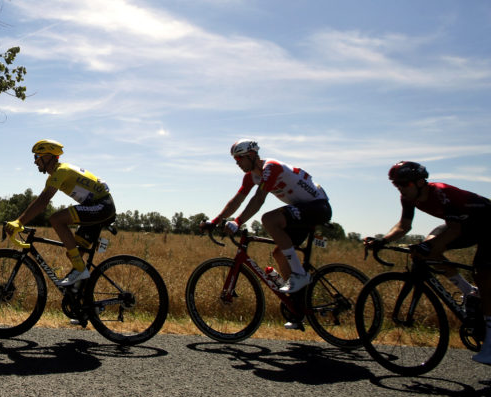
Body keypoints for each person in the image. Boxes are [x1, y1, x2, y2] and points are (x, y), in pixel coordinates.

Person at [363, 161, 491, 365]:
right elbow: (404, 225)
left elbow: (455, 230)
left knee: (482, 273)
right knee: (425, 251)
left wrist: (429, 247)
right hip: (464, 225)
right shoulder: (408, 198)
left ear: (421, 182)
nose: (401, 189)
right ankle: (468, 292)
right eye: (397, 185)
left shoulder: (441, 193)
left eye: (405, 184)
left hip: (486, 224)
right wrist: (383, 240)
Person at [204, 139, 332, 300]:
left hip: (317, 206)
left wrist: (237, 222)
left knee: (269, 219)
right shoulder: (251, 177)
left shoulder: (271, 168)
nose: (237, 163)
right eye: (234, 160)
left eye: (239, 158)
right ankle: (296, 305)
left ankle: (299, 274)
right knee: (279, 254)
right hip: (302, 211)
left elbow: (258, 199)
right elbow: (237, 200)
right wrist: (214, 221)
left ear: (251, 155)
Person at [4, 140, 115, 288]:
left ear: (48, 156)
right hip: (96, 206)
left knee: (56, 219)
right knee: (73, 254)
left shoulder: (61, 171)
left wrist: (19, 222)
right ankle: (85, 300)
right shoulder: (55, 175)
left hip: (102, 206)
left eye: (37, 156)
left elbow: (43, 202)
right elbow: (41, 200)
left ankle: (81, 271)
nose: (35, 161)